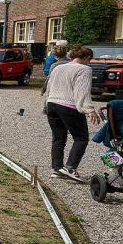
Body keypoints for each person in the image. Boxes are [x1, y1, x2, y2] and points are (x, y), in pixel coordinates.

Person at [44, 46, 100, 182]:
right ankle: (70, 168)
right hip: (68, 106)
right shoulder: (84, 69)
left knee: (58, 138)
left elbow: (49, 87)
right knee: (81, 138)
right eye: (90, 59)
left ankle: (57, 168)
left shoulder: (58, 67)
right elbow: (82, 91)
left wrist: (46, 104)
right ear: (87, 57)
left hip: (52, 104)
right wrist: (89, 109)